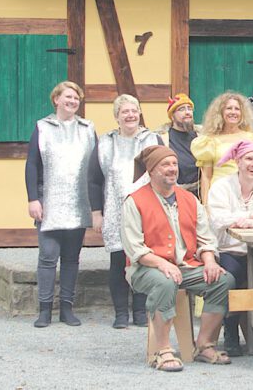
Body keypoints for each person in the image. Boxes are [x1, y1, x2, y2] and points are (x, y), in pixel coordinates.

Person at [121, 146, 234, 372]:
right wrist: (162, 264)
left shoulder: (190, 199)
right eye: (165, 165)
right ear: (151, 171)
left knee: (223, 280)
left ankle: (204, 345)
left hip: (186, 266)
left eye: (174, 164)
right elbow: (135, 248)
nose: (172, 169)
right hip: (145, 268)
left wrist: (210, 261)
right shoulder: (134, 201)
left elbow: (206, 238)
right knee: (165, 281)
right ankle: (162, 351)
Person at [25, 81, 96, 328]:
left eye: (76, 98)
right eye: (68, 97)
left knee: (71, 258)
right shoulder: (42, 127)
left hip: (78, 202)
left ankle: (67, 308)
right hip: (49, 201)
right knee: (47, 256)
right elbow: (32, 164)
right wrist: (33, 198)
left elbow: (95, 169)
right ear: (56, 99)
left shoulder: (88, 129)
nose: (72, 101)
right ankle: (44, 309)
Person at [88, 94, 162, 329]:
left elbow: (165, 173)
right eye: (125, 112)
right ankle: (121, 313)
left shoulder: (152, 139)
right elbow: (94, 179)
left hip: (146, 210)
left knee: (143, 260)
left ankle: (140, 311)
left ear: (140, 113)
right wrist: (96, 212)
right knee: (119, 261)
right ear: (117, 116)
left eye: (134, 111)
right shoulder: (105, 142)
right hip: (115, 210)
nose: (130, 115)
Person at [207, 140, 253, 356]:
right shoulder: (221, 187)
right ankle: (230, 332)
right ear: (238, 162)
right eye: (249, 159)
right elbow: (219, 220)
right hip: (229, 249)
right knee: (233, 275)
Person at [191, 91, 253, 202]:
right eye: (229, 108)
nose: (233, 112)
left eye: (237, 109)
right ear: (220, 112)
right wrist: (206, 206)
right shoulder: (210, 141)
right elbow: (206, 177)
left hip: (247, 196)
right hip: (220, 196)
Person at [157, 93, 201, 197]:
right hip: (174, 194)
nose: (187, 112)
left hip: (201, 193)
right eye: (181, 109)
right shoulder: (163, 139)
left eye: (189, 109)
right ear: (172, 116)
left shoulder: (202, 136)